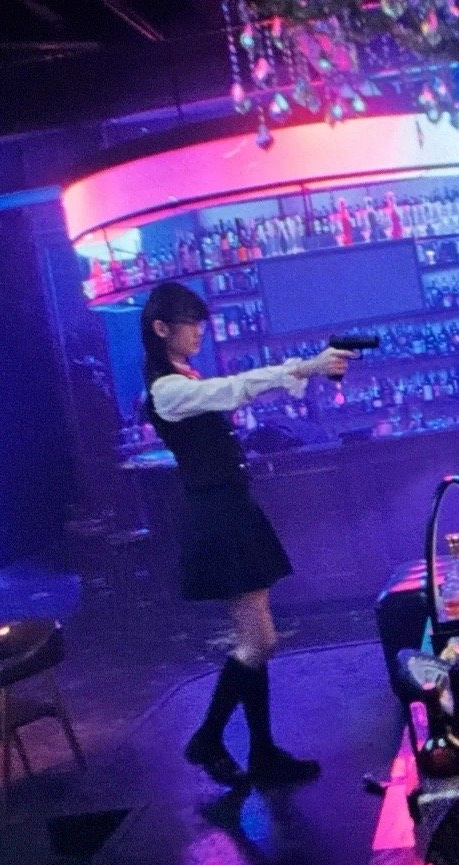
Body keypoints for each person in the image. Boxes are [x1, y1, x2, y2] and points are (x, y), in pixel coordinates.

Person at [139, 282, 356, 786]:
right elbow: (235, 388)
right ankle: (210, 737)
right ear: (161, 328)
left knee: (257, 641)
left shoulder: (181, 378)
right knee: (258, 641)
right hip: (218, 515)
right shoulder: (167, 390)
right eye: (190, 323)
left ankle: (258, 752)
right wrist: (305, 367)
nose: (199, 331)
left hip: (228, 509)